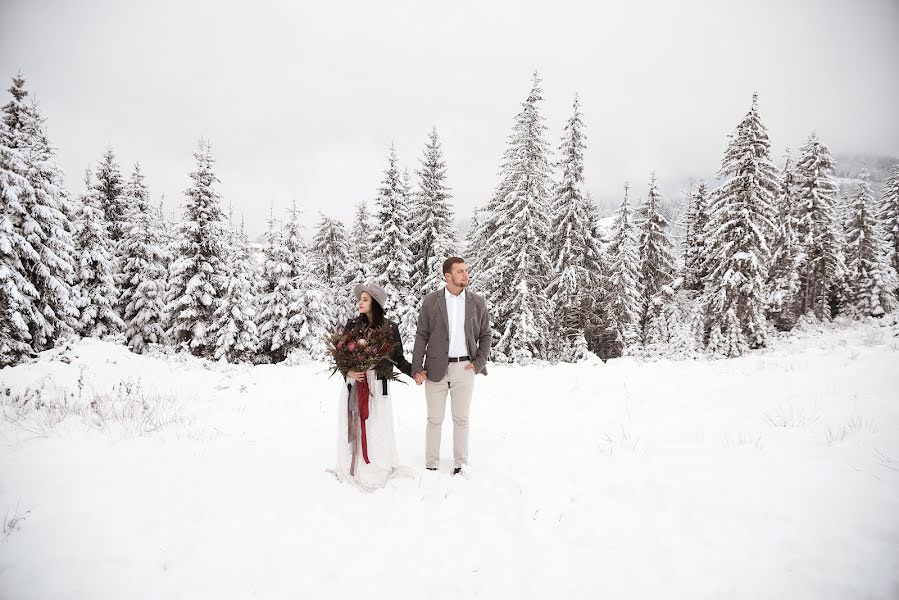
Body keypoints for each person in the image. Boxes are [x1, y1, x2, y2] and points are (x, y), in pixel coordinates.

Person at [411, 257, 492, 475]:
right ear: (448, 276)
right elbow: (421, 336)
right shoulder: (431, 301)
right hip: (435, 368)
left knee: (461, 418)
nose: (465, 275)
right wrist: (416, 368)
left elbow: (485, 335)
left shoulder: (477, 302)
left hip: (465, 368)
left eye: (466, 270)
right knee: (434, 419)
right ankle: (431, 464)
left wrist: (478, 364)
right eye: (460, 271)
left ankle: (460, 463)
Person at [336, 282, 413, 491]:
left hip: (378, 385)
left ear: (375, 304)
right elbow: (340, 356)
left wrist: (415, 372)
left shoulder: (390, 328)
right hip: (356, 383)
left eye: (365, 299)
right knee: (355, 423)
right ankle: (356, 465)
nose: (360, 302)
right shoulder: (352, 325)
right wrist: (349, 372)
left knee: (376, 424)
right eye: (360, 299)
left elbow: (398, 358)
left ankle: (376, 463)